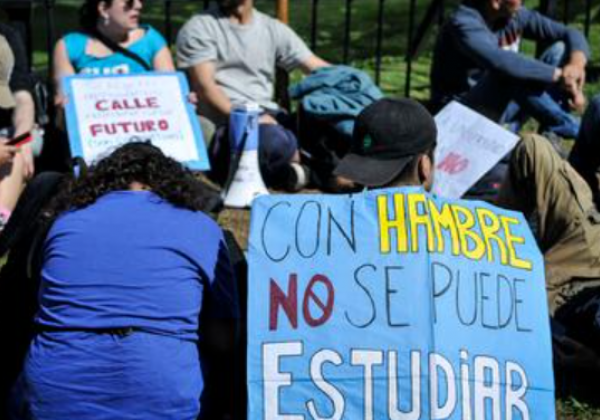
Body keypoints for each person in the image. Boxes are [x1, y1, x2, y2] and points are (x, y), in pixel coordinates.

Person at [335, 97, 600, 386]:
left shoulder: (336, 248)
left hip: (549, 258)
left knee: (539, 145)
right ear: (425, 166)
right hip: (570, 282)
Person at [9, 142, 239, 420]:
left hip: (53, 400)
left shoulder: (64, 222)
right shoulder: (203, 227)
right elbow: (224, 340)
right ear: (173, 183)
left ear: (101, 181)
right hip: (163, 400)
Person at [176, 0, 329, 190]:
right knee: (271, 140)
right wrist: (248, 119)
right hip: (228, 123)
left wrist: (351, 82)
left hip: (271, 116)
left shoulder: (272, 28)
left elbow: (319, 69)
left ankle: (299, 170)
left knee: (332, 127)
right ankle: (308, 169)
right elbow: (206, 87)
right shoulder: (199, 28)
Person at [430, 0, 589, 139]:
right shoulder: (463, 22)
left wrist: (575, 66)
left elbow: (570, 33)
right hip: (464, 116)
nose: (523, 2)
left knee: (560, 49)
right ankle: (576, 129)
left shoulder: (513, 14)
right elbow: (501, 62)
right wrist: (560, 75)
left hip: (506, 104)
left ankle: (550, 136)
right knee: (508, 71)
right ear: (496, 1)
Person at [53, 0, 175, 105]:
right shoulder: (69, 46)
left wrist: (184, 100)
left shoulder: (151, 41)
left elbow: (170, 95)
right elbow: (65, 109)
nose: (138, 5)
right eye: (129, 1)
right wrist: (63, 104)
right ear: (103, 8)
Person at [0, 22, 36, 230]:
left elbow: (22, 96)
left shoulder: (7, 37)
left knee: (14, 152)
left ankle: (2, 222)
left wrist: (22, 139)